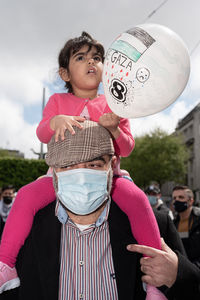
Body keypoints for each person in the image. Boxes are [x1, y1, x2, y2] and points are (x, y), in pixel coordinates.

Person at [0, 32, 160, 299]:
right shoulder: (57, 102)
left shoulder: (115, 104)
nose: (91, 62)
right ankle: (5, 264)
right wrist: (54, 122)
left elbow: (127, 148)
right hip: (60, 177)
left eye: (97, 58)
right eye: (81, 57)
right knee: (26, 195)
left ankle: (154, 281)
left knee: (139, 199)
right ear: (65, 73)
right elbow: (41, 133)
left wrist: (114, 131)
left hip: (110, 177)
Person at [1, 121, 200, 300]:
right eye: (68, 165)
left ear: (112, 166)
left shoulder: (156, 225)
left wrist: (177, 274)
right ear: (53, 170)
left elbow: (193, 289)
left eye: (94, 164)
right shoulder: (26, 232)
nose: (81, 176)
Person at [172, 185, 200, 268]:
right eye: (174, 198)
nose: (177, 200)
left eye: (181, 197)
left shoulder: (198, 219)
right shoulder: (173, 223)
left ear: (191, 201)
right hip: (182, 270)